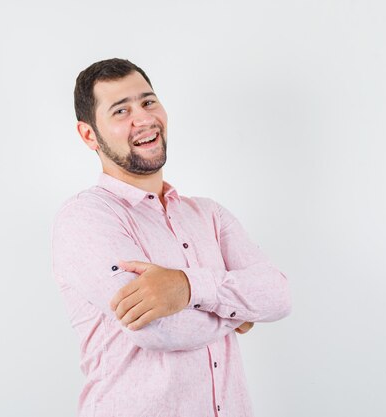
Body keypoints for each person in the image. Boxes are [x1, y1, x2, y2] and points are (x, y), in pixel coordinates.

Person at [51, 58, 292, 417]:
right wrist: (237, 310)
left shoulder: (209, 214)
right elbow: (159, 330)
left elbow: (278, 295)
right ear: (89, 135)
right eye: (121, 111)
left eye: (148, 102)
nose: (143, 118)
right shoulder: (85, 218)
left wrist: (186, 288)